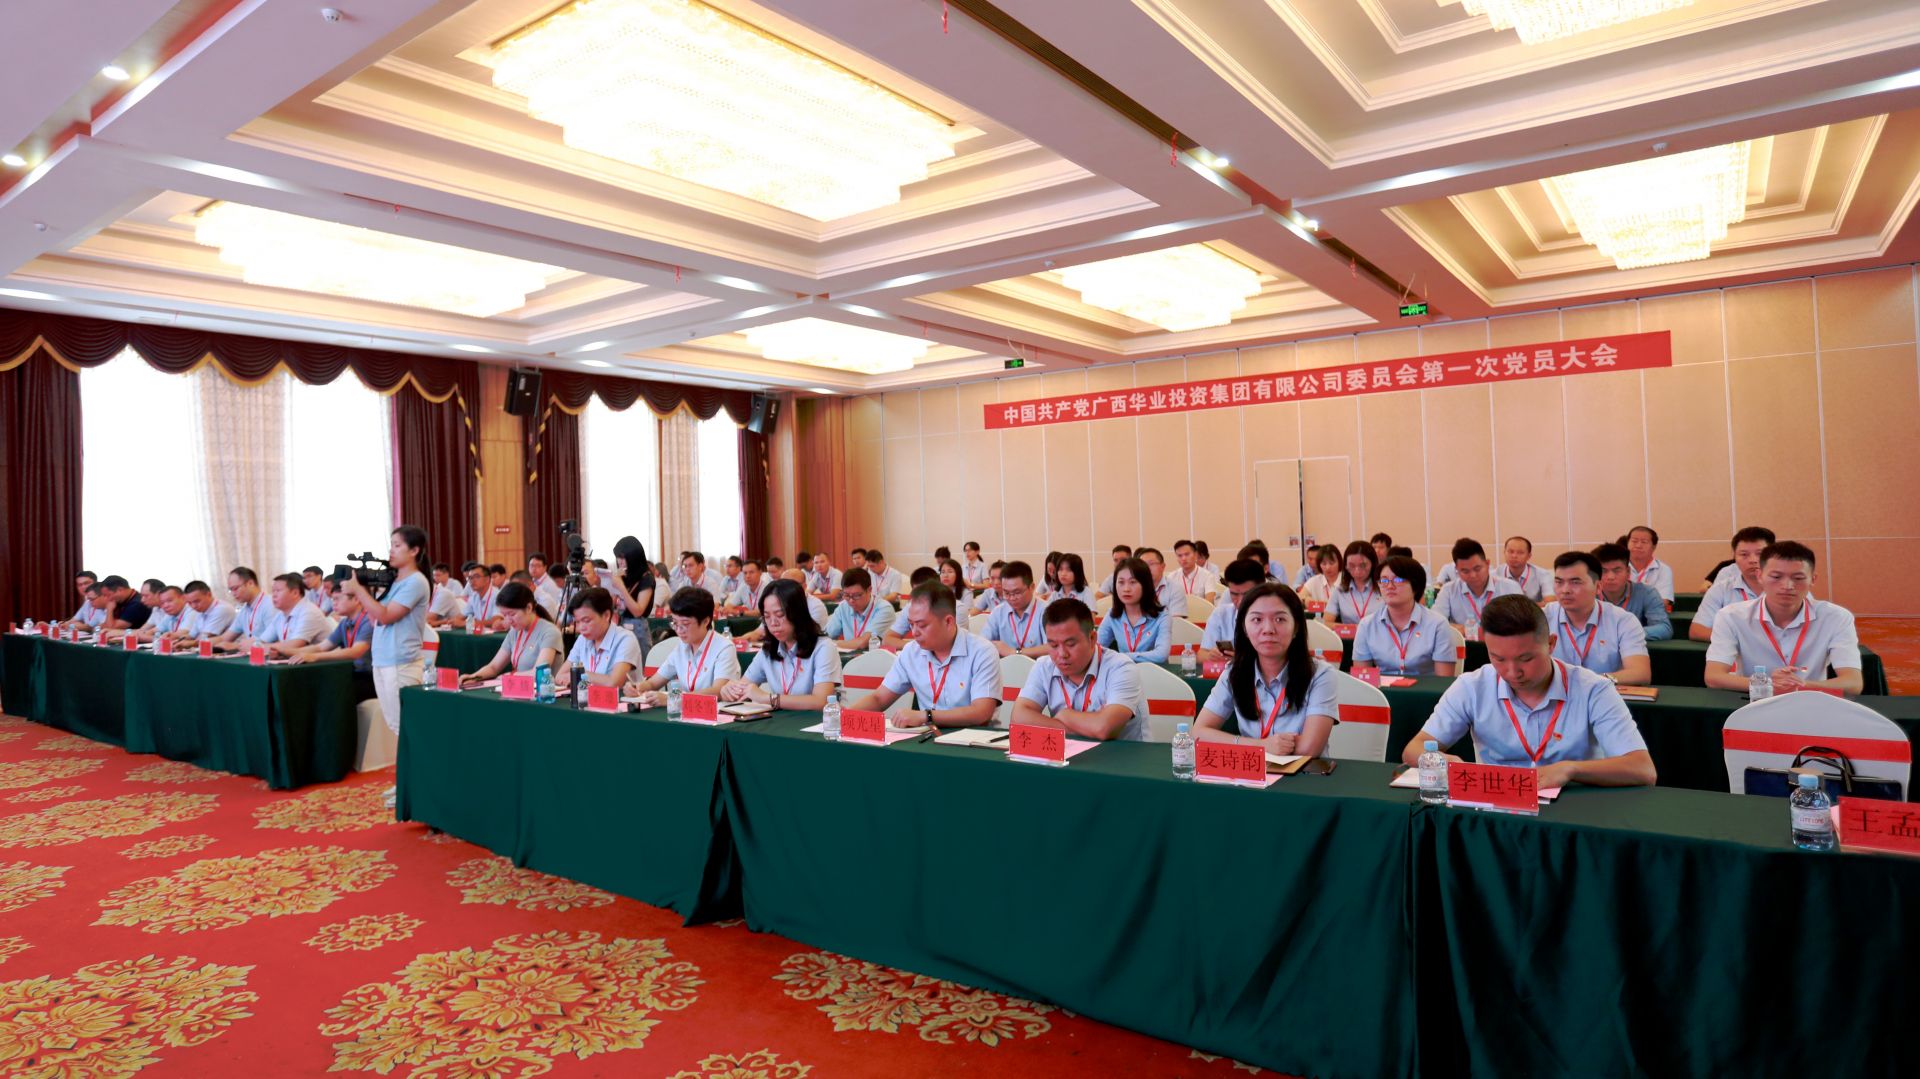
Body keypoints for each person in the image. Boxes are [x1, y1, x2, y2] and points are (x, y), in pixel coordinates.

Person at [1401, 596, 1655, 787]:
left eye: (1525, 658)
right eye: (1498, 658)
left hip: (1572, 811)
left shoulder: (1593, 689)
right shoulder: (1472, 686)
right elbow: (1414, 748)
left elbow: (1643, 769)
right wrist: (1442, 761)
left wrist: (1571, 770)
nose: (1512, 672)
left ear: (1551, 644)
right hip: (1498, 809)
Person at [340, 526, 432, 809]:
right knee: (396, 725)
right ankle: (406, 781)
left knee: (406, 726)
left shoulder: (416, 582)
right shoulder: (395, 581)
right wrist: (368, 591)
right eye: (391, 544)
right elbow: (376, 618)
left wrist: (358, 590)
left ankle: (417, 784)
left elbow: (387, 616)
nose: (391, 551)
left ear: (414, 550)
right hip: (383, 659)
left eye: (397, 545)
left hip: (401, 661)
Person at [1193, 583, 1337, 757]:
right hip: (1252, 770)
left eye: (1280, 619)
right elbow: (1198, 733)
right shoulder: (1234, 672)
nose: (1268, 630)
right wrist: (1262, 746)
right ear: (1245, 628)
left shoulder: (1320, 674)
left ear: (1296, 627)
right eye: (1257, 620)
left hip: (1303, 772)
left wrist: (1240, 745)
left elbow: (1309, 748)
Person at [1704, 541, 1863, 696]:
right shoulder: (1731, 616)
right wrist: (1768, 685)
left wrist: (1799, 685)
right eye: (1776, 577)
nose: (1787, 586)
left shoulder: (1836, 618)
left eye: (1798, 578)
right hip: (1752, 701)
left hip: (1811, 700)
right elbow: (1713, 677)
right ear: (1760, 576)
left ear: (1813, 580)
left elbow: (1853, 683)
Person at [848, 583, 1001, 729]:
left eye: (921, 625)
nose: (914, 632)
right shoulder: (911, 651)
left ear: (948, 622)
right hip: (927, 735)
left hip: (973, 738)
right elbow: (879, 698)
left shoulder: (982, 651)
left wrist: (926, 716)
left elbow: (981, 712)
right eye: (911, 624)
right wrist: (845, 716)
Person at [1011, 599, 1148, 741]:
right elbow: (1019, 717)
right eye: (1053, 645)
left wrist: (1066, 715)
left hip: (1122, 754)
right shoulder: (1044, 666)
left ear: (1092, 638)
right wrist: (1071, 728)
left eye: (1070, 644)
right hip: (1069, 752)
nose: (1062, 654)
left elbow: (1104, 728)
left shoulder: (1121, 668)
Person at [720, 579, 842, 711]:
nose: (773, 623)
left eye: (780, 615)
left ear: (798, 614)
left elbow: (821, 701)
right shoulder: (768, 649)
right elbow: (744, 688)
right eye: (767, 616)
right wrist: (729, 691)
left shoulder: (823, 647)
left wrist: (767, 698)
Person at [1542, 552, 1651, 684]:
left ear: (1598, 587)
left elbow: (1640, 673)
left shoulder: (1623, 620)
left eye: (1575, 582)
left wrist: (1591, 682)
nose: (1565, 590)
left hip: (1605, 693)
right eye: (1559, 582)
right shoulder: (1541, 618)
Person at [1351, 556, 1459, 678]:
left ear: (1415, 585)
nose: (1389, 586)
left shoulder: (1437, 624)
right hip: (1383, 690)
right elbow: (1361, 678)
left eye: (1398, 580)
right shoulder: (1367, 625)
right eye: (1384, 581)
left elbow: (1443, 681)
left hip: (1425, 689)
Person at [458, 583, 565, 684]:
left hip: (546, 692)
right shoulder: (515, 631)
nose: (508, 620)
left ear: (528, 608)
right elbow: (493, 667)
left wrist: (510, 676)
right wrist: (473, 677)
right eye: (505, 615)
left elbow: (539, 673)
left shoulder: (549, 632)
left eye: (512, 614)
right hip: (521, 688)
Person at [289, 586, 376, 702]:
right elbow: (320, 647)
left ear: (356, 599)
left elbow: (355, 652)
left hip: (369, 678)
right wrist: (284, 652)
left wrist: (314, 657)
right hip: (352, 674)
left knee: (328, 692)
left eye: (337, 599)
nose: (333, 603)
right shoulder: (345, 623)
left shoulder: (368, 620)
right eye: (332, 599)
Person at [1690, 526, 1775, 641]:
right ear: (1734, 557)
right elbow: (1697, 631)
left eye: (1760, 553)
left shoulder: (1788, 588)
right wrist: (1741, 640)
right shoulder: (1720, 589)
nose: (1753, 560)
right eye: (1744, 554)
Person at [556, 587, 646, 692]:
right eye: (577, 622)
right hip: (588, 698)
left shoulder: (625, 639)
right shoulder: (582, 639)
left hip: (619, 701)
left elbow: (614, 683)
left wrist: (581, 675)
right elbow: (559, 676)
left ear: (606, 615)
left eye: (586, 621)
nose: (580, 628)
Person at [1431, 538, 1520, 627]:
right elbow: (1434, 623)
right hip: (1463, 636)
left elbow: (1523, 623)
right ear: (1457, 570)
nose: (1473, 575)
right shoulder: (1449, 591)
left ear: (1487, 564)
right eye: (1465, 571)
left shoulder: (1510, 588)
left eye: (1477, 569)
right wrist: (1455, 628)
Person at [1592, 543, 1673, 641]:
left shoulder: (1647, 593)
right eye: (1603, 571)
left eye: (1617, 570)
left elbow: (1664, 628)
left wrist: (1628, 633)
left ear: (1628, 572)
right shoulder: (1587, 595)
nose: (1610, 577)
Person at [1096, 556, 1169, 663]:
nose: (1126, 589)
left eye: (1133, 582)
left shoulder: (1162, 616)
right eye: (1121, 582)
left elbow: (1161, 655)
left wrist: (1120, 657)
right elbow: (1096, 648)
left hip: (1154, 671)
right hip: (1123, 670)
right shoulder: (1112, 615)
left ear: (1145, 585)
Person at [1198, 558, 1267, 663]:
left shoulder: (1275, 618)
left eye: (1247, 594)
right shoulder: (1221, 614)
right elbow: (1201, 655)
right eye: (1234, 594)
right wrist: (1211, 656)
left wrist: (1241, 659)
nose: (1241, 601)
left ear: (1261, 589)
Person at [982, 560, 1050, 658]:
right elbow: (983, 643)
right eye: (1006, 593)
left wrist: (1014, 652)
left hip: (1038, 666)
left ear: (1032, 587)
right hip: (1005, 666)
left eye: (1017, 592)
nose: (1012, 598)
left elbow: (1051, 647)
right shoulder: (998, 612)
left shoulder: (1046, 611)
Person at [258, 573, 334, 655]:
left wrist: (260, 647)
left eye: (278, 590)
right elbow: (262, 640)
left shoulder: (309, 612)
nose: (274, 595)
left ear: (295, 593)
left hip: (323, 662)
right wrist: (259, 645)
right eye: (273, 591)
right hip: (294, 660)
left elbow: (294, 646)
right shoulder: (280, 614)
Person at [823, 568, 893, 649]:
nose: (851, 600)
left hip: (875, 656)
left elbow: (863, 643)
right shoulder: (843, 607)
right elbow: (826, 637)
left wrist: (834, 644)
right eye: (846, 595)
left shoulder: (884, 609)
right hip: (849, 655)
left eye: (856, 595)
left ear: (869, 590)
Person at [879, 567, 945, 649]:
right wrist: (916, 647)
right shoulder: (910, 607)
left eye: (924, 592)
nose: (920, 597)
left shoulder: (951, 607)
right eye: (916, 592)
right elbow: (887, 639)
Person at [1324, 541, 1380, 626]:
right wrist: (1352, 629)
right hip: (1349, 634)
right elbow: (1326, 623)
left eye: (1363, 565)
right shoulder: (1340, 591)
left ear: (1373, 564)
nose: (1357, 571)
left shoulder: (1383, 588)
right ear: (1345, 566)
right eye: (1352, 566)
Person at [213, 567, 273, 647]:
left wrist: (237, 646)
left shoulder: (270, 604)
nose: (233, 594)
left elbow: (273, 640)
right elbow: (225, 638)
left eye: (235, 588)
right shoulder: (244, 610)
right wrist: (202, 643)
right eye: (230, 590)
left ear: (250, 583)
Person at [1625, 526, 1675, 603]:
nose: (1638, 546)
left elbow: (1662, 602)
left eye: (1644, 542)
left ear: (1654, 547)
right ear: (1627, 543)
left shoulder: (1663, 570)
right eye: (1634, 541)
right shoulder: (1617, 567)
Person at [1138, 547, 1188, 618]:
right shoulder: (1134, 588)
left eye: (1151, 564)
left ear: (1163, 566)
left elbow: (1176, 621)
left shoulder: (1175, 588)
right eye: (1143, 565)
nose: (1147, 568)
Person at [1499, 537, 1550, 603]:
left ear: (1529, 556)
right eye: (1510, 551)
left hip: (1531, 610)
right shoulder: (1493, 575)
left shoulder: (1543, 574)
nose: (1514, 556)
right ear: (1504, 552)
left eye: (1520, 552)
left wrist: (1522, 607)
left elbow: (1550, 602)